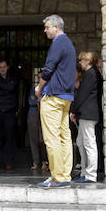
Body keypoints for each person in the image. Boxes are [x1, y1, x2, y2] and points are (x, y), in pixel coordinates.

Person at [35, 13, 76, 188]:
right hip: (66, 97)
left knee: (51, 138)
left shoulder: (58, 43)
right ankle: (65, 175)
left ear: (56, 27)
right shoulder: (69, 44)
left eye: (47, 27)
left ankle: (58, 177)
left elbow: (48, 69)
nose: (45, 31)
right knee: (64, 136)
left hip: (54, 97)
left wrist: (39, 87)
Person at [71, 51, 102, 183]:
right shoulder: (93, 73)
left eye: (81, 60)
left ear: (88, 61)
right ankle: (84, 171)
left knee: (89, 144)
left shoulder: (90, 74)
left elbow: (82, 94)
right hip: (86, 114)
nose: (80, 62)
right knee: (81, 143)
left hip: (87, 114)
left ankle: (90, 174)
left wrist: (73, 111)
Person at [27, 83, 48, 172]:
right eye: (39, 77)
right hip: (33, 113)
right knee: (33, 138)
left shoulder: (48, 88)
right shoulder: (34, 89)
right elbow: (30, 101)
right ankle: (35, 162)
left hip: (45, 113)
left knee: (42, 139)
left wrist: (38, 99)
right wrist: (39, 100)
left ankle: (45, 161)